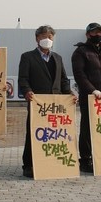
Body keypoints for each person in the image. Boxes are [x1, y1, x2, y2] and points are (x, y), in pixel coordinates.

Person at [18, 25, 76, 178]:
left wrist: (69, 93)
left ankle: (51, 162)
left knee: (54, 134)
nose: (47, 40)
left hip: (56, 104)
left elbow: (63, 80)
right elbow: (23, 79)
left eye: (50, 37)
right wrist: (27, 91)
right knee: (33, 133)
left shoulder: (57, 57)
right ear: (37, 38)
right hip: (38, 102)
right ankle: (29, 165)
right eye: (44, 37)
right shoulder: (27, 57)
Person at [71, 22, 101, 174]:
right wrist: (92, 90)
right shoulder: (80, 52)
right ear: (88, 35)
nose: (97, 35)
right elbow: (80, 75)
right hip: (91, 98)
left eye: (100, 32)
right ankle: (85, 159)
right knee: (87, 128)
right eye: (94, 32)